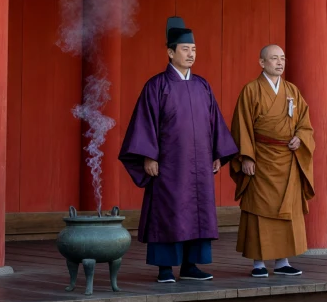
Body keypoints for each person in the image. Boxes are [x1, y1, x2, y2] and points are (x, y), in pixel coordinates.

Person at [119, 17, 238, 283]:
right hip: (169, 164)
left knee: (198, 210)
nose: (191, 54)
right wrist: (149, 155)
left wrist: (218, 152)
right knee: (169, 211)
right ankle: (164, 268)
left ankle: (190, 265)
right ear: (170, 52)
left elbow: (214, 121)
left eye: (194, 50)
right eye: (185, 49)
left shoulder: (202, 86)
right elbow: (144, 122)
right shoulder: (157, 86)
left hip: (200, 165)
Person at [229, 44, 315, 277]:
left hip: (287, 160)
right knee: (260, 210)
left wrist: (300, 137)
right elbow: (242, 126)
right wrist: (246, 156)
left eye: (282, 58)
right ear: (262, 62)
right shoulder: (251, 90)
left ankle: (282, 261)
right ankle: (258, 263)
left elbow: (305, 123)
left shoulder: (292, 91)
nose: (280, 63)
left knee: (287, 210)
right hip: (261, 159)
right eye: (274, 58)